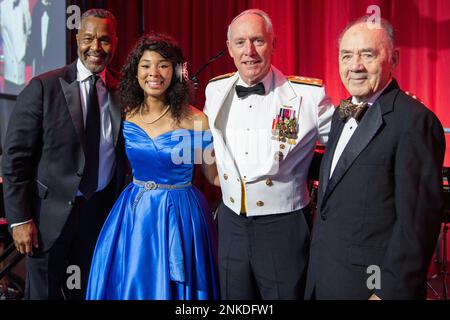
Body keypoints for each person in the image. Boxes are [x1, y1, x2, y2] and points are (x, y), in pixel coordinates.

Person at [305, 16, 445, 300]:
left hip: (370, 288)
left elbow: (417, 225)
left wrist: (386, 292)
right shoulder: (340, 115)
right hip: (324, 277)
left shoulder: (414, 122)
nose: (355, 65)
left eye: (367, 55)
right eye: (346, 55)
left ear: (393, 58)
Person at [204, 9, 334, 299]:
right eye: (240, 42)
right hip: (231, 224)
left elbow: (350, 141)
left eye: (258, 40)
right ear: (229, 48)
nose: (249, 51)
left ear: (274, 44)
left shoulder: (308, 97)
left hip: (283, 226)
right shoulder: (215, 91)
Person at [1, 9, 126, 299]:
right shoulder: (44, 87)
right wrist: (19, 219)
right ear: (77, 38)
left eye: (105, 40)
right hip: (46, 221)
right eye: (88, 38)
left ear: (115, 42)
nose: (96, 47)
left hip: (100, 218)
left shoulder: (123, 91)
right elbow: (15, 158)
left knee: (92, 293)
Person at [86, 32, 220, 300]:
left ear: (176, 71)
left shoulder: (197, 120)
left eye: (163, 65)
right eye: (146, 65)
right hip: (135, 213)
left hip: (182, 214)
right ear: (136, 71)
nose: (154, 73)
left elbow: (215, 176)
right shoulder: (124, 114)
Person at [0, 0, 32, 95]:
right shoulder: (3, 6)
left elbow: (29, 31)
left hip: (22, 75)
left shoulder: (25, 4)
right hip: (9, 75)